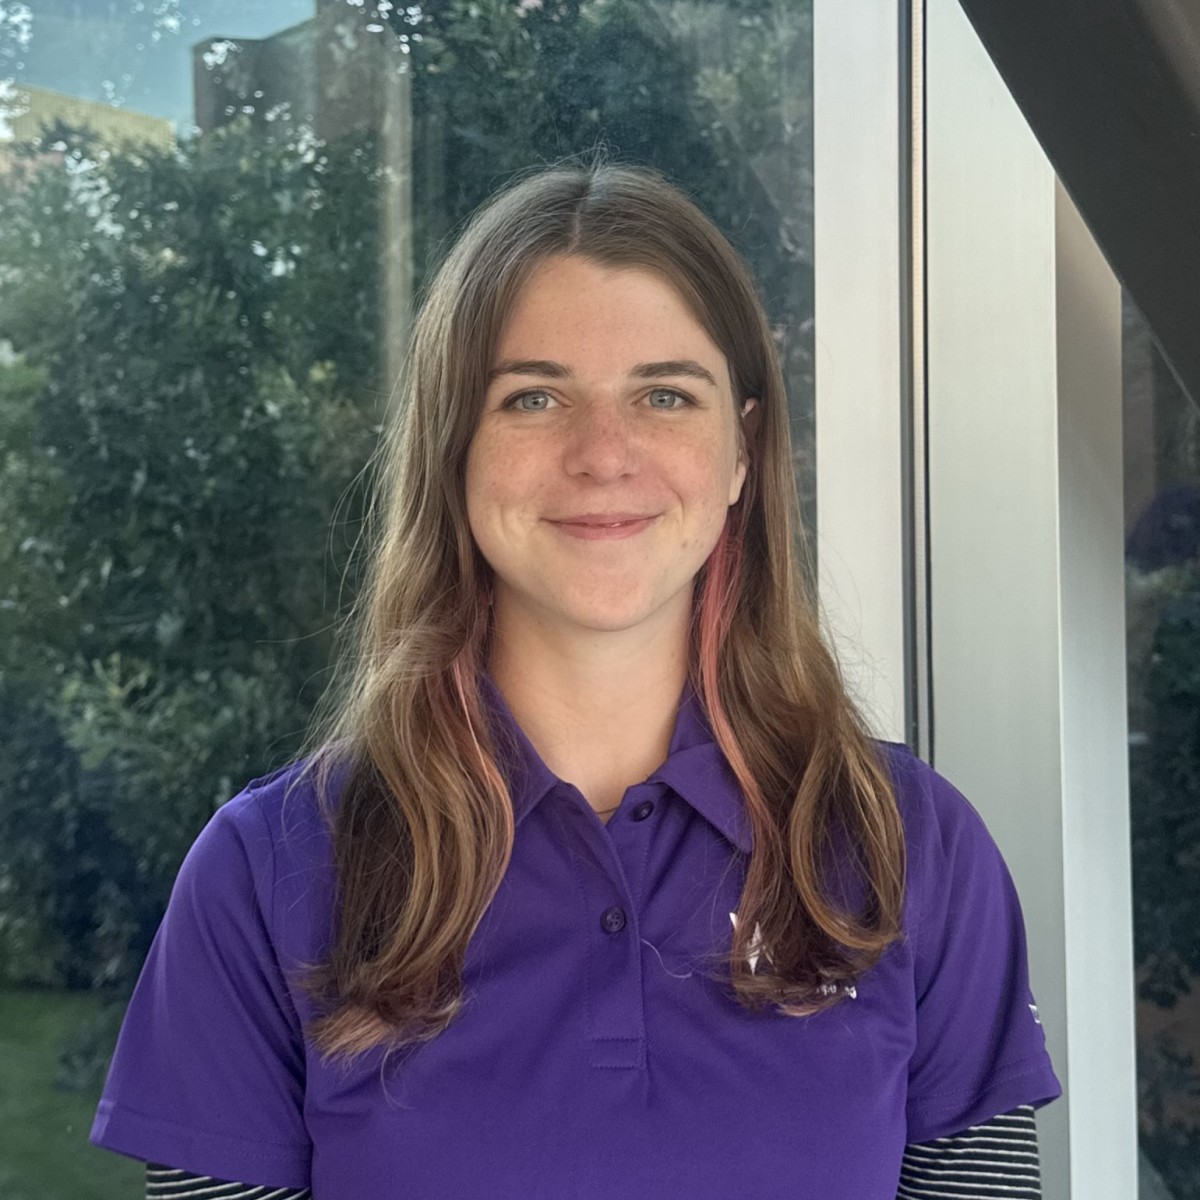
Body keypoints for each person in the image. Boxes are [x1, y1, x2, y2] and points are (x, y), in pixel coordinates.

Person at [90, 161, 1061, 1199]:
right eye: (535, 396)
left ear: (743, 451)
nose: (605, 454)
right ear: (453, 449)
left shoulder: (908, 842)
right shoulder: (268, 869)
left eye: (664, 394)